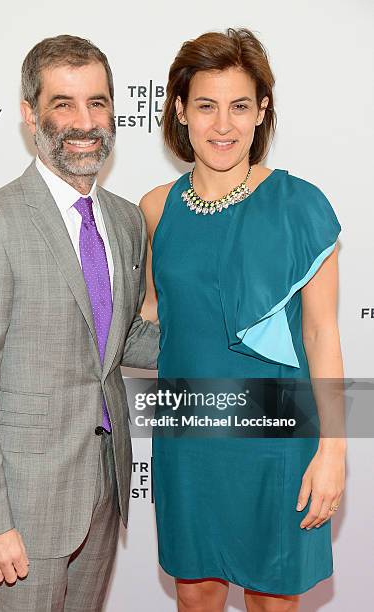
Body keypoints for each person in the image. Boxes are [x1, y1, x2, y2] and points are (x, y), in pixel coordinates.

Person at [0, 34, 159, 611]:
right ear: (29, 115)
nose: (85, 122)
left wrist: (223, 337)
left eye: (99, 102)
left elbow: (118, 338)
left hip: (105, 490)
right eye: (64, 103)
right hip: (25, 507)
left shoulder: (127, 220)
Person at [140, 28, 346, 612]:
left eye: (239, 106)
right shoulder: (157, 208)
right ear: (181, 111)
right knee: (196, 594)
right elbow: (152, 323)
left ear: (262, 113)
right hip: (189, 438)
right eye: (205, 106)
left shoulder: (299, 205)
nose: (222, 125)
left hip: (279, 441)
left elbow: (321, 334)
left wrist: (333, 451)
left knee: (273, 600)